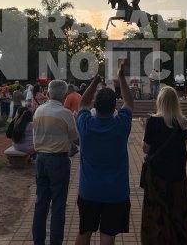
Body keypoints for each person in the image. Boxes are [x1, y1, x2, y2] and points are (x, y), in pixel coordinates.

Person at [75, 62, 133, 245]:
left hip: (89, 190)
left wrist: (94, 82)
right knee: (108, 235)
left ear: (96, 106)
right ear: (113, 107)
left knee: (85, 231)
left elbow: (83, 103)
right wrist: (121, 77)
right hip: (116, 191)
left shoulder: (85, 125)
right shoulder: (121, 125)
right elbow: (129, 102)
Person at [141, 86, 187, 244]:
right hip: (177, 172)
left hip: (156, 173)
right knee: (177, 210)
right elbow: (183, 144)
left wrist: (144, 130)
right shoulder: (183, 122)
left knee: (155, 212)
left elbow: (146, 148)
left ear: (160, 101)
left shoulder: (153, 121)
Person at [32, 80, 79, 245]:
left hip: (40, 159)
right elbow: (76, 139)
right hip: (58, 160)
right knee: (58, 205)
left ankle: (38, 241)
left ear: (49, 93)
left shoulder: (39, 110)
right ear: (65, 94)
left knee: (40, 203)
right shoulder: (65, 113)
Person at [64, 84, 82, 157]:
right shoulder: (79, 95)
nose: (66, 91)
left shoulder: (69, 97)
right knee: (76, 133)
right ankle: (74, 147)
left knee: (68, 133)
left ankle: (73, 148)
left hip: (72, 117)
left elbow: (65, 109)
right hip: (80, 116)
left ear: (70, 89)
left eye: (66, 90)